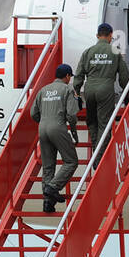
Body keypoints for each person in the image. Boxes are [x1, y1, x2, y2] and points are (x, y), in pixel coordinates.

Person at [75, 23, 129, 159]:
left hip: (89, 89)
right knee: (104, 124)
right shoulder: (115, 51)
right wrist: (126, 93)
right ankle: (98, 157)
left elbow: (79, 74)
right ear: (111, 35)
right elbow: (124, 76)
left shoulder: (88, 51)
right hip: (105, 89)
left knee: (92, 121)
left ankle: (96, 149)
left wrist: (77, 92)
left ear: (97, 36)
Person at [32, 63, 80, 213]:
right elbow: (72, 115)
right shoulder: (67, 89)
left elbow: (33, 113)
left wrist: (45, 120)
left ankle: (48, 203)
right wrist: (73, 132)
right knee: (71, 161)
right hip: (57, 127)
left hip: (43, 128)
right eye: (69, 77)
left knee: (48, 166)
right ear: (67, 76)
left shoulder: (43, 90)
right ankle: (53, 187)